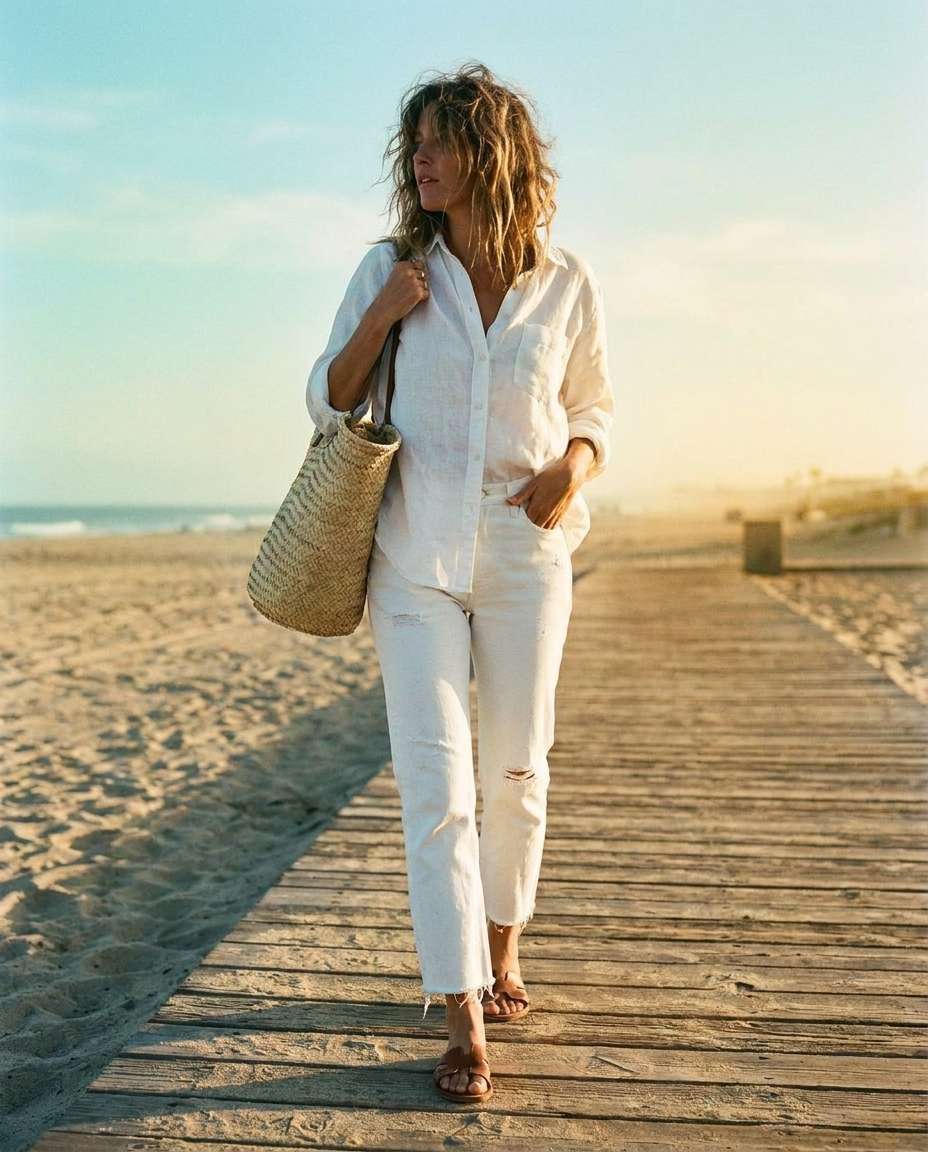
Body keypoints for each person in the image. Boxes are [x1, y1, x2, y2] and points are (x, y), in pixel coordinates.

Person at [306, 62, 614, 1104]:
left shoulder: (564, 281)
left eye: (438, 141)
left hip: (528, 556)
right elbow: (328, 398)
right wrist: (383, 313)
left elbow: (594, 410)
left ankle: (502, 942)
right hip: (412, 561)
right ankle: (461, 1008)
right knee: (435, 789)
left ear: (492, 154)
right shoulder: (394, 268)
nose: (419, 160)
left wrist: (571, 468)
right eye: (416, 145)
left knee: (517, 773)